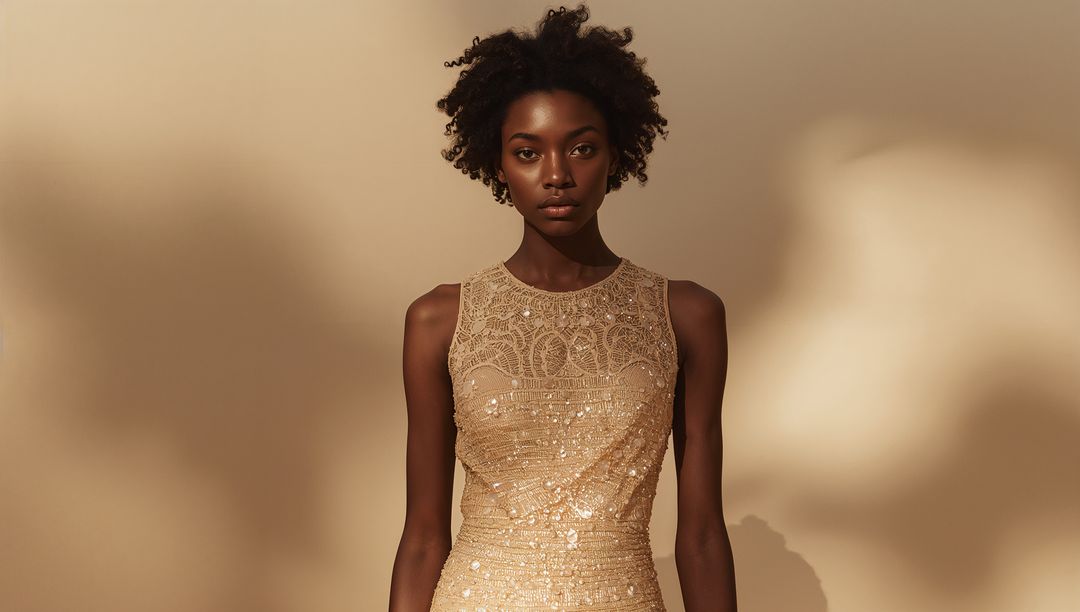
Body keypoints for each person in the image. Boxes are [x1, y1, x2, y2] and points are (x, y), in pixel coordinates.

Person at [389, 5, 736, 610]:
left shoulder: (685, 315)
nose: (556, 175)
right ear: (498, 164)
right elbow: (422, 537)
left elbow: (703, 535)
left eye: (581, 148)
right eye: (527, 153)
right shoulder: (439, 321)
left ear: (615, 155)